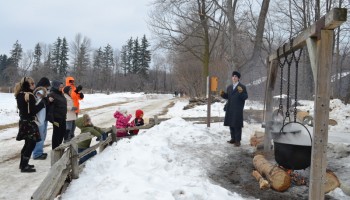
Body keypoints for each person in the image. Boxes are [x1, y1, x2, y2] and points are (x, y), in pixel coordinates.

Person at [14, 77, 47, 172]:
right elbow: (33, 112)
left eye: (33, 83)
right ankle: (24, 166)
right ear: (26, 85)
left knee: (27, 143)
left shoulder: (20, 94)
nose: (34, 85)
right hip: (29, 123)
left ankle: (23, 164)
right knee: (31, 143)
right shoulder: (29, 95)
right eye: (31, 84)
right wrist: (42, 104)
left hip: (23, 122)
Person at [220, 71, 248, 147]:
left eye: (235, 76)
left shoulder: (242, 87)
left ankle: (238, 141)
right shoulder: (229, 87)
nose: (234, 78)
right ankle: (233, 138)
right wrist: (223, 94)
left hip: (237, 108)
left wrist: (241, 92)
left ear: (238, 78)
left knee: (237, 125)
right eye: (233, 76)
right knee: (231, 124)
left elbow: (245, 97)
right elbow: (228, 97)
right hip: (230, 107)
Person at [32, 77, 51, 160]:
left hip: (43, 117)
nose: (47, 88)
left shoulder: (42, 91)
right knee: (40, 136)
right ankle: (37, 154)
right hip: (40, 118)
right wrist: (48, 100)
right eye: (47, 86)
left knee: (42, 135)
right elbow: (40, 103)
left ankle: (39, 151)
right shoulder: (40, 91)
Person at [48, 81, 67, 149]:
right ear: (56, 86)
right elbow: (49, 105)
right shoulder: (52, 94)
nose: (62, 88)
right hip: (56, 118)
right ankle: (55, 149)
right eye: (60, 87)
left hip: (63, 117)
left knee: (62, 132)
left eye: (62, 87)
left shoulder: (61, 94)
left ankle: (59, 146)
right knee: (56, 134)